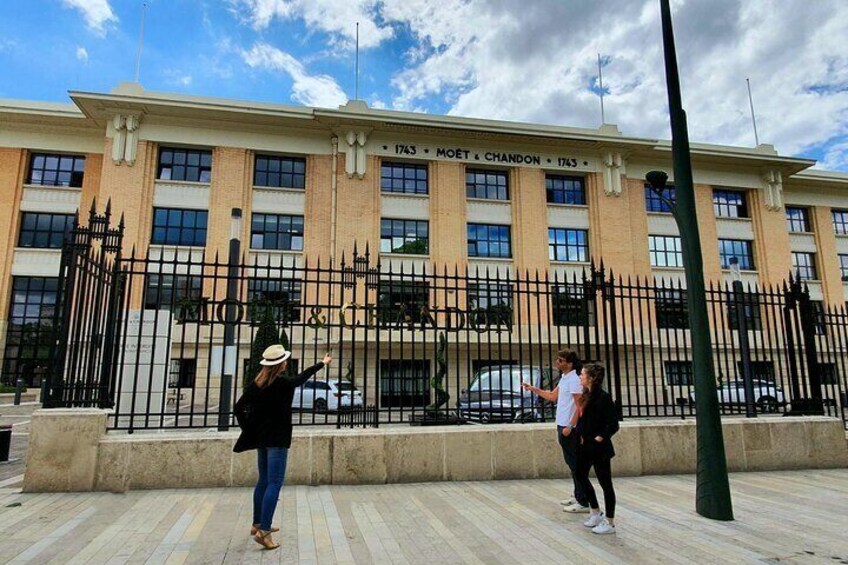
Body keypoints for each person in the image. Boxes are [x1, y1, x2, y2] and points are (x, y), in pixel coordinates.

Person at [233, 344, 332, 550]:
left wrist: (249, 429)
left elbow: (238, 408)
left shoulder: (256, 385)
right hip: (277, 439)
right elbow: (302, 377)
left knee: (263, 481)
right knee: (274, 483)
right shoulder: (284, 384)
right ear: (280, 365)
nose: (287, 362)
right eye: (285, 360)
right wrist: (322, 364)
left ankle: (257, 523)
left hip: (261, 439)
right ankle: (264, 532)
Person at [521, 350, 589, 512]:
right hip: (562, 425)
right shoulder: (565, 378)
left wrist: (570, 427)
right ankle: (578, 494)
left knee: (576, 464)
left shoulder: (574, 379)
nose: (557, 362)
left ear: (570, 363)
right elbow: (552, 396)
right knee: (571, 463)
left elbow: (580, 407)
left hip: (569, 427)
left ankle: (584, 501)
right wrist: (533, 389)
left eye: (561, 360)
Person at [573, 363, 620, 535]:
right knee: (579, 474)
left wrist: (600, 436)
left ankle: (610, 522)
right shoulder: (586, 396)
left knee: (605, 483)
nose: (580, 376)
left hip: (599, 448)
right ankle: (595, 511)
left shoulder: (603, 397)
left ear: (591, 378)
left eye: (583, 374)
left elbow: (613, 424)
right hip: (585, 446)